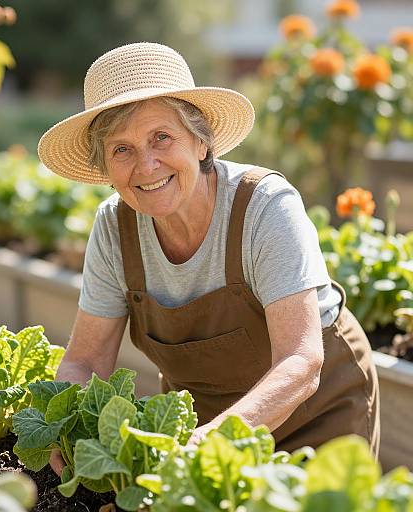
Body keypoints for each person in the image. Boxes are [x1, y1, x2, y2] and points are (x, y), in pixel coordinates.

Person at [37, 42, 380, 476]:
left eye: (161, 137)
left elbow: (301, 361)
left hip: (316, 411)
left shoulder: (265, 206)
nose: (146, 165)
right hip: (205, 421)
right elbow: (85, 360)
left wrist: (213, 439)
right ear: (105, 168)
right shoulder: (115, 227)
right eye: (121, 150)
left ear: (201, 142)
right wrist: (62, 424)